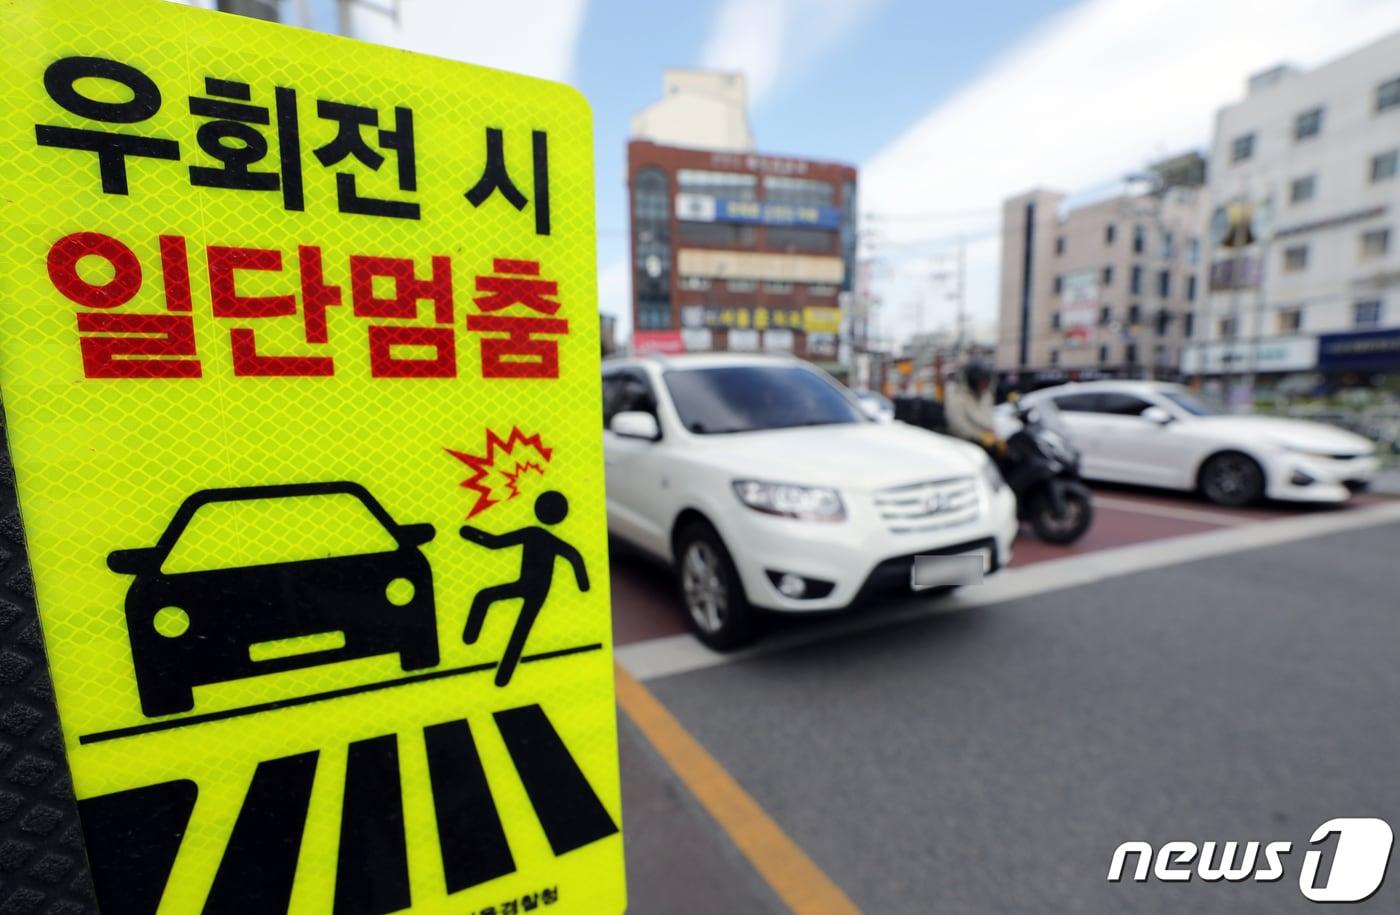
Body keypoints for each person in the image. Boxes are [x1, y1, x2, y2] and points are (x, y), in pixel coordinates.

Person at [459, 490, 590, 687]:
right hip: (537, 590)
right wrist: (583, 584)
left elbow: (494, 542)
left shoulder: (532, 533)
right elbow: (574, 557)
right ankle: (478, 648)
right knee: (517, 628)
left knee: (486, 598)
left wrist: (469, 533)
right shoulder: (545, 537)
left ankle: (472, 640)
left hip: (527, 587)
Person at [943, 360, 1001, 452]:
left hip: (985, 442)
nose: (985, 385)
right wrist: (980, 435)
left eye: (987, 381)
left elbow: (988, 418)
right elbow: (958, 425)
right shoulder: (958, 396)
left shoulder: (986, 395)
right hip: (964, 444)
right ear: (973, 381)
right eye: (982, 382)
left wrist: (993, 434)